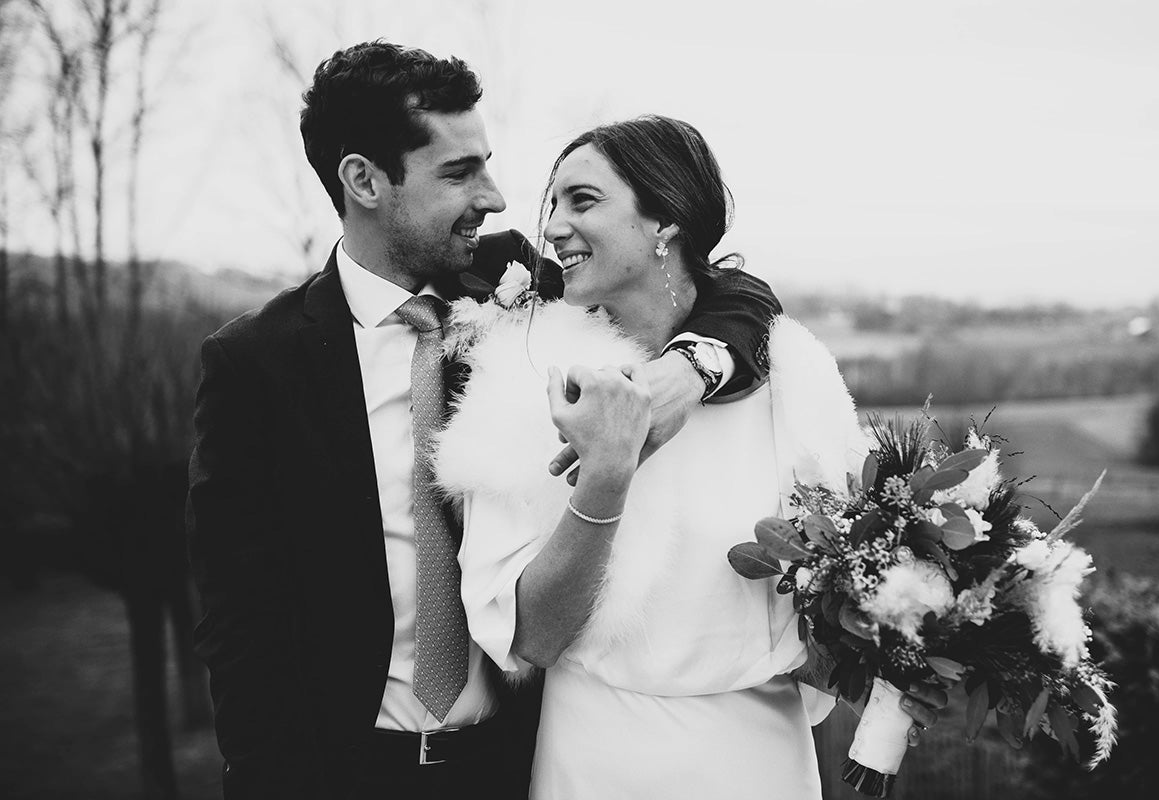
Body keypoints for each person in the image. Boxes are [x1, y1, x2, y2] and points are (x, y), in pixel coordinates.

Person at [185, 43, 786, 799]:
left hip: (522, 762)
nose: (496, 197)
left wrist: (689, 369)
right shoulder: (256, 364)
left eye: (487, 164)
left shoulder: (524, 286)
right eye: (459, 172)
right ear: (364, 180)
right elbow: (238, 622)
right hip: (347, 772)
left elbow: (735, 291)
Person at [436, 116, 948, 798]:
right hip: (593, 758)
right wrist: (605, 480)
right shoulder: (523, 367)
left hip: (759, 758)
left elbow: (839, 610)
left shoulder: (791, 371)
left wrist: (910, 654)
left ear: (665, 223)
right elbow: (527, 637)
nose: (553, 226)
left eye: (582, 201)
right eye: (552, 203)